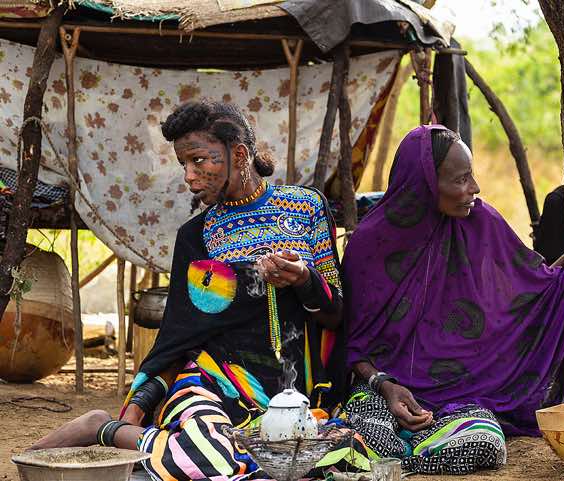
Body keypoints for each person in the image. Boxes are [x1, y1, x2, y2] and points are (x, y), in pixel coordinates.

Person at [30, 101, 345, 480]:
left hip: (294, 391)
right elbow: (181, 334)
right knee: (210, 457)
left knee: (313, 457)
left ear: (239, 154)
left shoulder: (306, 207)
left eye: (199, 161)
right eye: (184, 165)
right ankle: (105, 427)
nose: (190, 177)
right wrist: (140, 404)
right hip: (215, 380)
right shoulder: (197, 237)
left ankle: (118, 436)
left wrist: (304, 280)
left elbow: (336, 312)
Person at [341, 125, 564, 475]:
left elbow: (553, 286)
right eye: (461, 179)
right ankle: (402, 448)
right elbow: (356, 346)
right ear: (424, 184)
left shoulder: (480, 224)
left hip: (459, 396)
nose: (475, 188)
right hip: (385, 388)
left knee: (484, 441)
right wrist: (388, 387)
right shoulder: (370, 246)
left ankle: (406, 459)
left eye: (472, 176)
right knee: (367, 435)